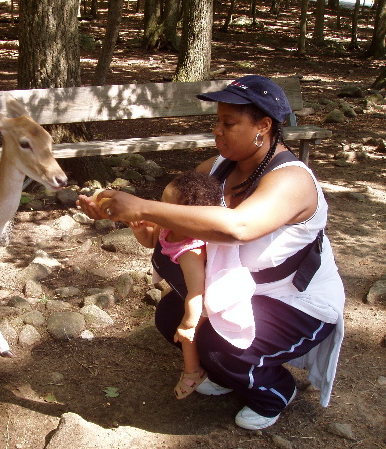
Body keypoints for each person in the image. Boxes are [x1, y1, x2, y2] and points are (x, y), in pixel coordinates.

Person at [77, 75, 345, 431]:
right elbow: (176, 212)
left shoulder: (292, 180)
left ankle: (276, 391)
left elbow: (238, 227)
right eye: (216, 121)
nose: (217, 131)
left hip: (296, 300)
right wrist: (119, 210)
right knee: (171, 316)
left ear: (263, 126)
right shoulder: (221, 167)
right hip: (239, 290)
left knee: (218, 345)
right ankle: (231, 372)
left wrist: (142, 207)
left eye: (228, 123)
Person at [128, 171, 222, 400]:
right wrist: (140, 229)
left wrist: (189, 324)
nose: (161, 210)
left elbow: (197, 291)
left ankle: (193, 371)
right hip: (186, 290)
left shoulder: (191, 252)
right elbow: (151, 241)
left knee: (190, 338)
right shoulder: (167, 225)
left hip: (204, 299)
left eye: (167, 206)